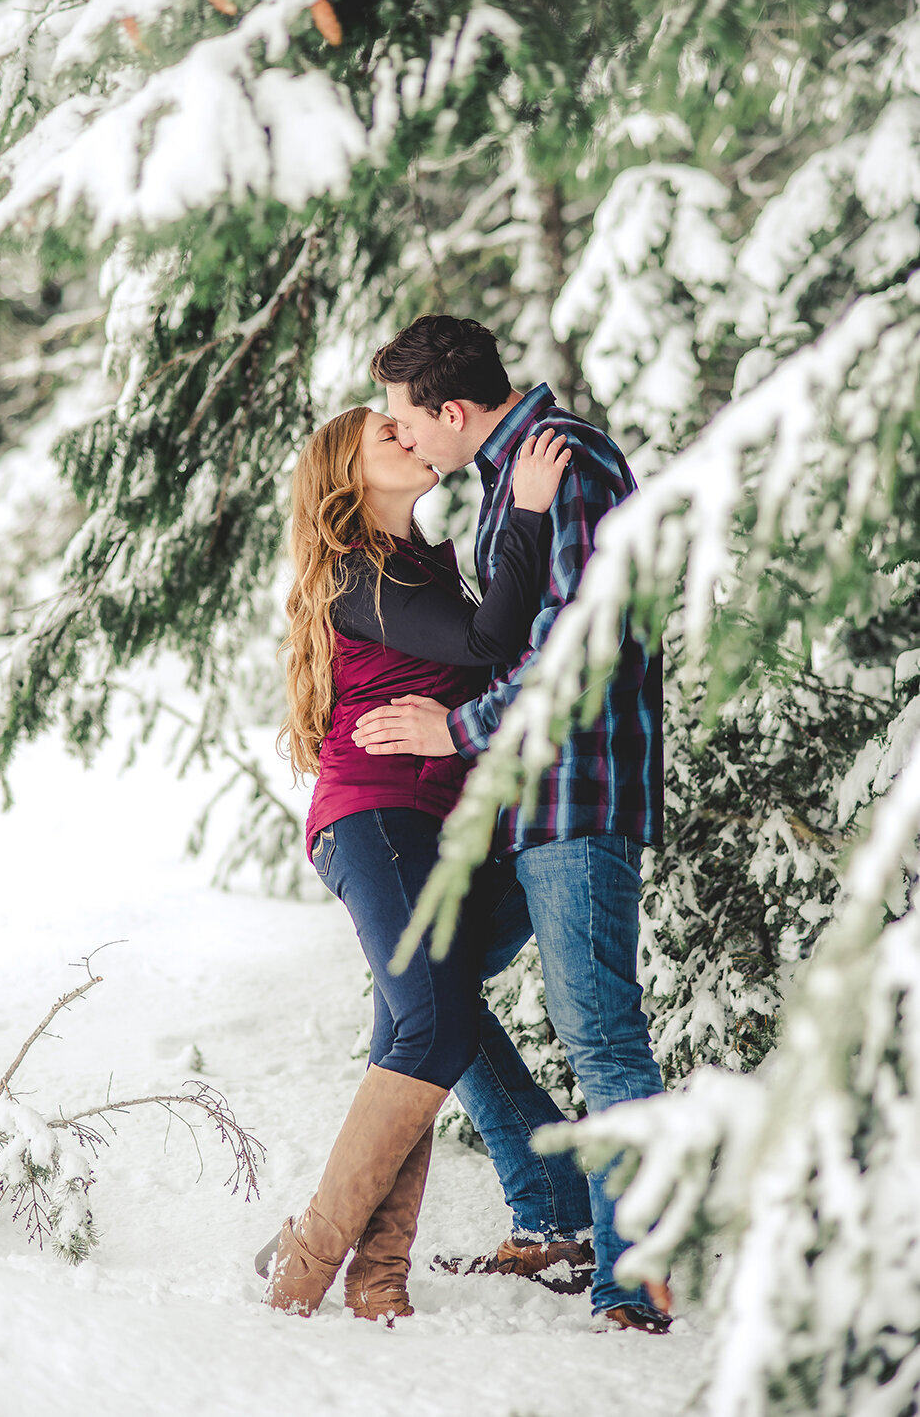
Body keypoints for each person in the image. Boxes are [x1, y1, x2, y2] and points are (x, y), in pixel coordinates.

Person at [353, 315, 671, 1334]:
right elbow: (502, 637)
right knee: (435, 992)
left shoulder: (563, 460)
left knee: (603, 1039)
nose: (407, 441)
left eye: (408, 422)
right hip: (521, 800)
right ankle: (553, 1219)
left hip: (574, 793)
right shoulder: (510, 480)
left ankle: (636, 1279)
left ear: (452, 410)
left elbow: (578, 649)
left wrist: (454, 727)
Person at [254, 403, 570, 1322]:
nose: (408, 437)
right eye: (384, 436)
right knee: (433, 1026)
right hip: (375, 819)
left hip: (442, 829)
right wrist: (532, 513)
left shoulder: (423, 563)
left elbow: (488, 653)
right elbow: (488, 645)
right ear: (349, 480)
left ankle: (378, 1275)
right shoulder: (359, 571)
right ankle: (309, 1263)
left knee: (424, 1027)